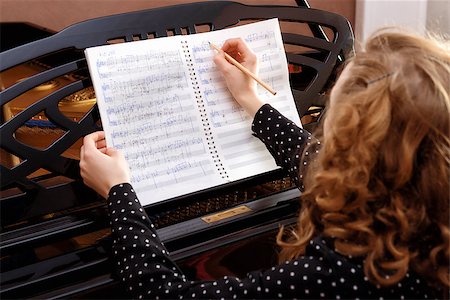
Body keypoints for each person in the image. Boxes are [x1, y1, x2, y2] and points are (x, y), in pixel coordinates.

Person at [80, 27, 449, 299]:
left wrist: (119, 194)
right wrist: (252, 102)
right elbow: (315, 164)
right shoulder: (427, 221)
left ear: (354, 157)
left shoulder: (342, 275)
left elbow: (164, 295)